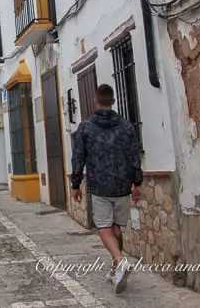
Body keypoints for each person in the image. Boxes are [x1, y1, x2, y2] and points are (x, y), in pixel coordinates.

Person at [71, 83, 143, 294]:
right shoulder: (127, 127)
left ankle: (120, 261)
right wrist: (137, 183)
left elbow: (78, 158)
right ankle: (115, 269)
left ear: (96, 101)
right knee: (116, 228)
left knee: (104, 228)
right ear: (113, 102)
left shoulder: (85, 128)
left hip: (100, 186)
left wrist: (75, 185)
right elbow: (134, 156)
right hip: (122, 185)